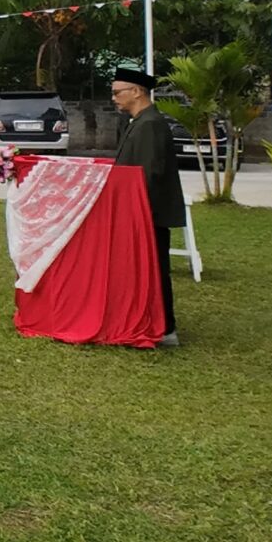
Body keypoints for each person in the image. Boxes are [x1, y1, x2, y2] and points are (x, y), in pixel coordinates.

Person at [109, 69, 187, 347]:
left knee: (155, 268)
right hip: (139, 211)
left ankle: (165, 328)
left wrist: (134, 212)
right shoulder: (139, 121)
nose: (114, 98)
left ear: (137, 91)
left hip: (147, 213)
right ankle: (148, 320)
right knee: (145, 268)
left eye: (118, 92)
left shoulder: (150, 124)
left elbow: (147, 174)